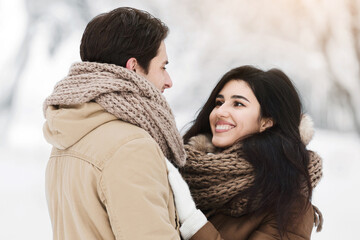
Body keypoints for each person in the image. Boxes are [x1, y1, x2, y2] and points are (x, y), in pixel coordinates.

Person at [43, 7, 186, 240]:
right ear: (133, 67)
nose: (168, 82)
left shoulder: (66, 137)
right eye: (163, 67)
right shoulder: (131, 147)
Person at [166, 65, 323, 240]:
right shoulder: (183, 170)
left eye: (238, 104)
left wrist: (193, 223)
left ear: (267, 121)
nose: (220, 111)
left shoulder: (290, 207)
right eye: (219, 103)